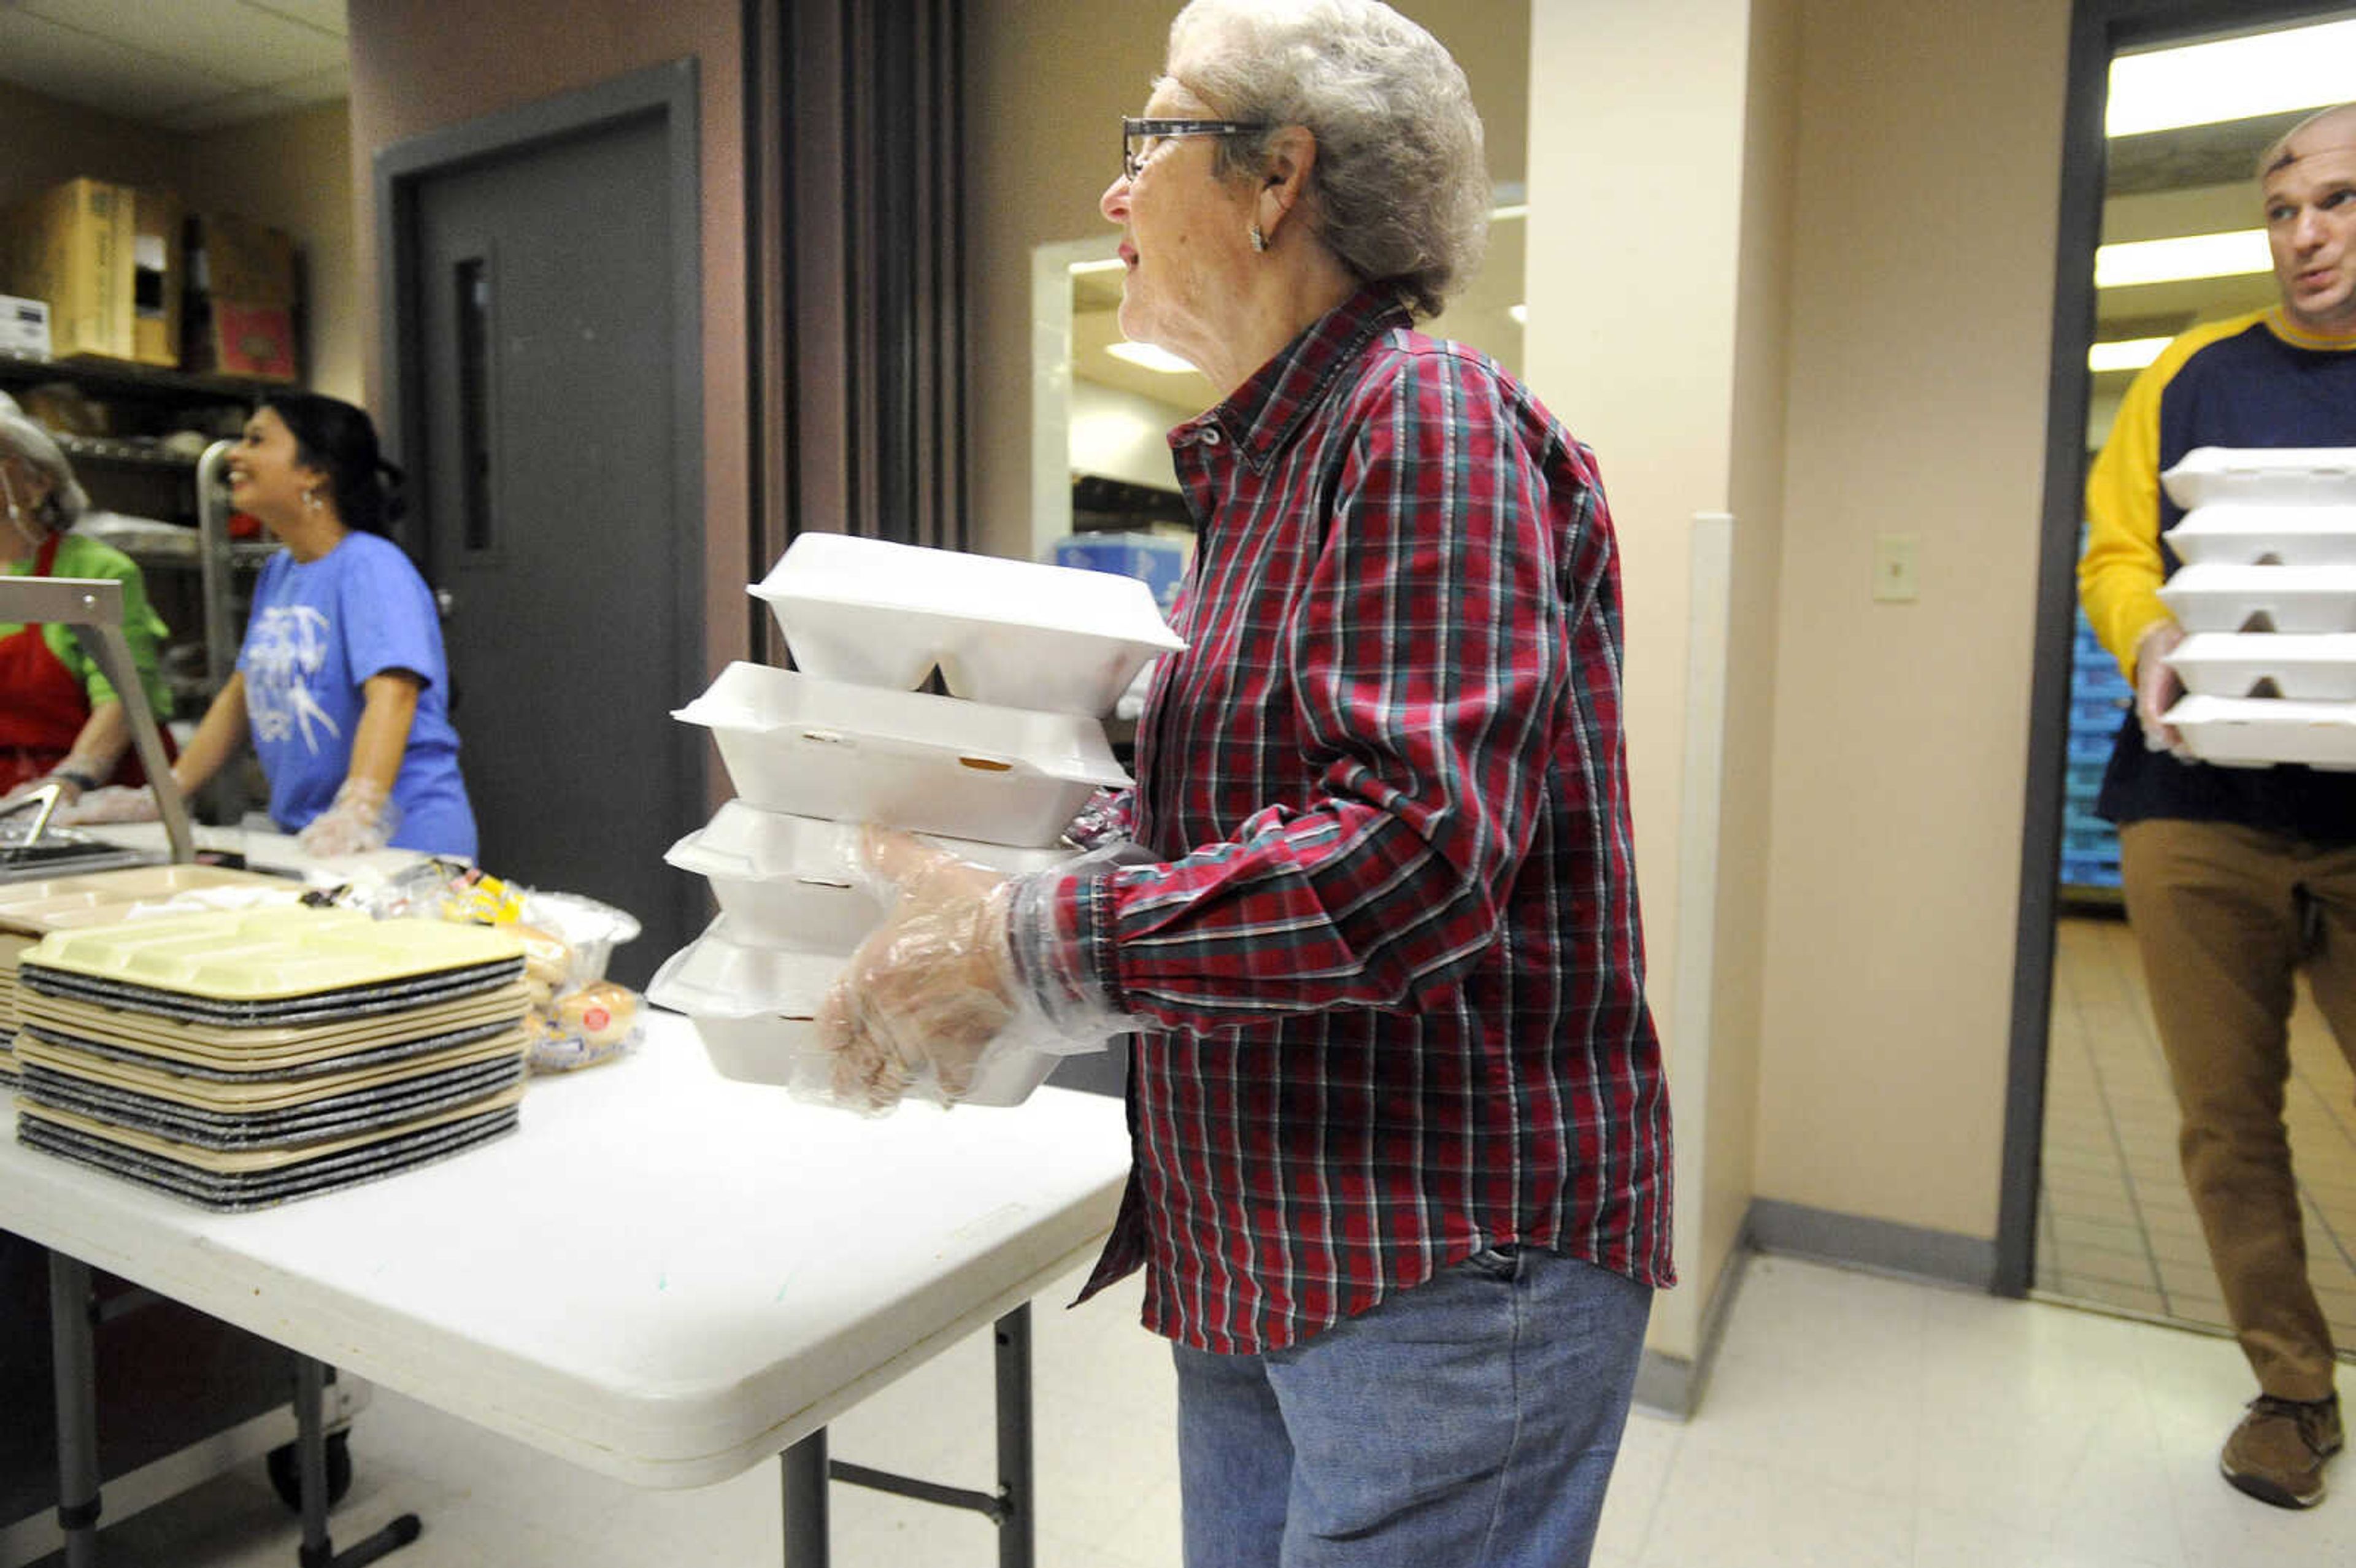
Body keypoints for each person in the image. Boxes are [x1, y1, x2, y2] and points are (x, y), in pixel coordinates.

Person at [814, 3, 1673, 1562]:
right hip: (1268, 1227)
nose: (1113, 193)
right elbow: (1248, 824)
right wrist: (1014, 859)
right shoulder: (1272, 472)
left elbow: (1405, 859)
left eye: (1147, 141)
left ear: (1276, 174)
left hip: (1432, 1255)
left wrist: (1030, 946)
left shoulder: (1424, 420)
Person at [2079, 101, 2356, 1511]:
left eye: (2335, 200)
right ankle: (2292, 1390)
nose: (2301, 233)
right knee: (2224, 1120)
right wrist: (2144, 636)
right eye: (2279, 206)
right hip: (2199, 810)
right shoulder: (2194, 371)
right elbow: (2117, 547)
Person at [69, 393, 476, 860]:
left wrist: (359, 811)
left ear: (314, 471)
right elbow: (239, 698)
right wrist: (167, 793)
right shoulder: (281, 571)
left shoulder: (372, 566)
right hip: (311, 840)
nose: (235, 454)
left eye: (256, 440)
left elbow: (395, 694)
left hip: (400, 844)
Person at [0, 398, 174, 804]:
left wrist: (72, 780)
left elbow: (124, 697)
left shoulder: (98, 569)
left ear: (37, 483)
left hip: (89, 794)